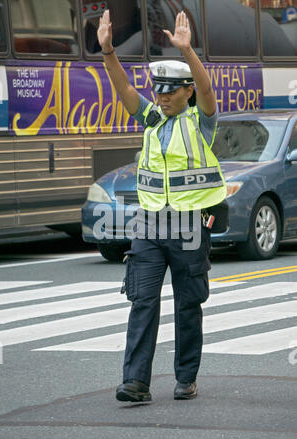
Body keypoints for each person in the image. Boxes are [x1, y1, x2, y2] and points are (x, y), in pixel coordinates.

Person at [97, 10, 226, 402]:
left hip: (188, 226)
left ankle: (186, 377)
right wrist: (107, 54)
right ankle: (135, 382)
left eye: (171, 90)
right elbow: (124, 92)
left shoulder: (201, 122)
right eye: (159, 90)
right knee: (142, 301)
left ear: (186, 91)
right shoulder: (151, 120)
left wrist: (188, 52)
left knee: (188, 305)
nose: (163, 97)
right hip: (150, 226)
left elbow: (207, 90)